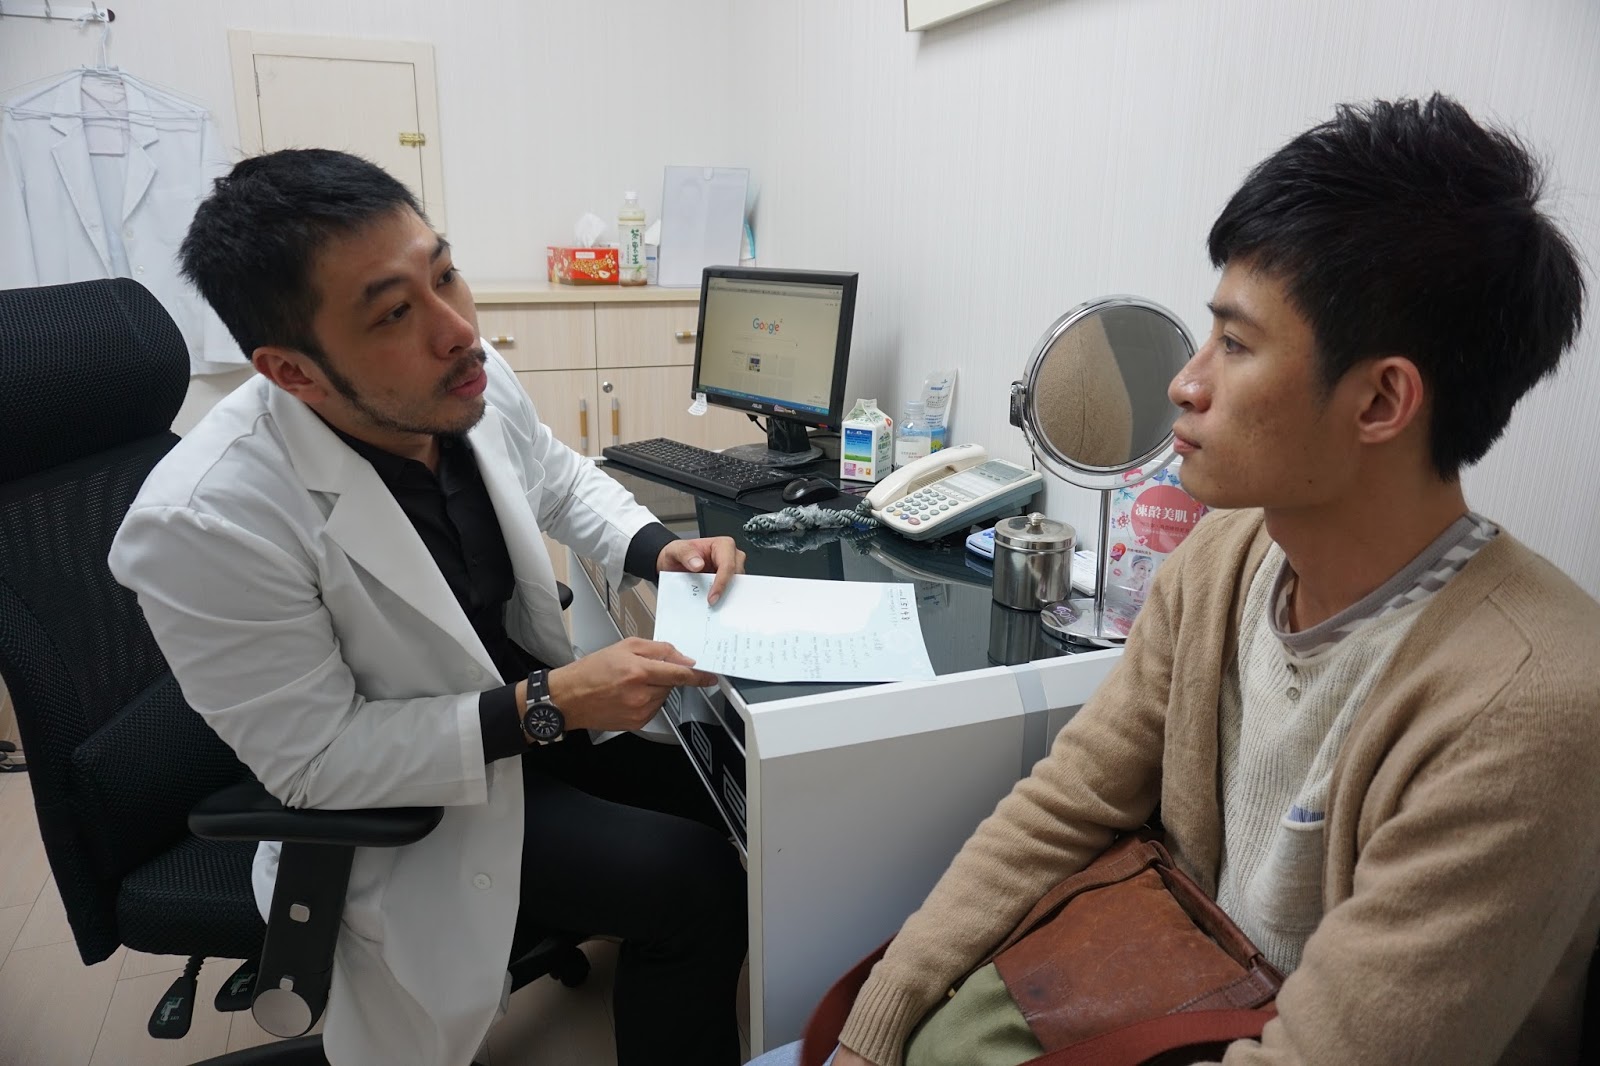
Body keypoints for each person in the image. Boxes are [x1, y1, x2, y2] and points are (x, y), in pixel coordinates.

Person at [757, 94, 1600, 1066]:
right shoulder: (1221, 559)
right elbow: (1067, 802)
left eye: (1234, 346)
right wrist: (876, 1026)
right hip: (1177, 998)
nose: (1184, 383)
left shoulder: (1529, 706)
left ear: (1380, 400)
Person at [109, 149, 748, 1066]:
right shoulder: (205, 521)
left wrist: (656, 548)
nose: (457, 329)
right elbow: (319, 762)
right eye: (393, 313)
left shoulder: (456, 377)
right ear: (292, 371)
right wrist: (551, 704)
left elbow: (557, 478)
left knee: (736, 799)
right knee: (694, 883)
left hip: (525, 732)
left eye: (444, 273)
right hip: (410, 805)